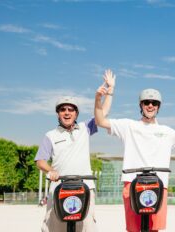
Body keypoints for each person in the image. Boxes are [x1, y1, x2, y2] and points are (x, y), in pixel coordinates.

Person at [94, 84, 175, 232]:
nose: (150, 105)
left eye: (154, 103)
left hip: (158, 184)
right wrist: (100, 98)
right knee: (134, 229)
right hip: (132, 182)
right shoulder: (129, 126)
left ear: (158, 107)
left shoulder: (166, 131)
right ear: (141, 105)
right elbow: (100, 121)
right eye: (147, 102)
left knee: (154, 229)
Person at [35, 69, 116, 232]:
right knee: (53, 226)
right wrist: (51, 170)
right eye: (63, 109)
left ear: (76, 113)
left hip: (84, 186)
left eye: (70, 109)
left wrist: (109, 91)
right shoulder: (50, 135)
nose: (67, 112)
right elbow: (40, 160)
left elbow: (103, 113)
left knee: (86, 226)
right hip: (59, 186)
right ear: (58, 113)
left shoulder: (85, 128)